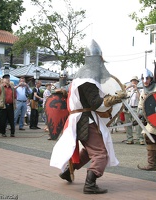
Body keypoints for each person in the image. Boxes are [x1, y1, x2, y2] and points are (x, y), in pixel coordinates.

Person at [50, 40, 126, 194]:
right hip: (85, 120)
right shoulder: (88, 79)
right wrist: (116, 98)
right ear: (96, 60)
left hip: (80, 119)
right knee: (100, 154)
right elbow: (96, 103)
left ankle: (67, 172)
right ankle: (90, 184)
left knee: (88, 151)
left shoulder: (80, 75)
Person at [123, 76, 144, 145]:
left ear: (137, 82)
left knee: (138, 124)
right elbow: (123, 95)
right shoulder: (128, 90)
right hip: (128, 108)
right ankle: (129, 139)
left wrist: (136, 89)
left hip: (135, 108)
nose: (134, 82)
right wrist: (127, 87)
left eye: (135, 81)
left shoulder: (140, 90)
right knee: (128, 124)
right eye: (133, 81)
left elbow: (140, 98)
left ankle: (140, 139)